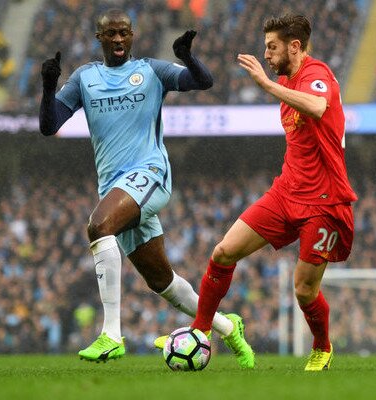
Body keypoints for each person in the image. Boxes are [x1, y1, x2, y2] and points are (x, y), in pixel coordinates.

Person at [38, 9, 254, 368]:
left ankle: (111, 335)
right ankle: (229, 328)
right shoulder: (84, 78)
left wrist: (187, 57)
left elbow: (203, 82)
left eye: (124, 33)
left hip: (150, 174)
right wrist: (48, 87)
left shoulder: (152, 71)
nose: (119, 39)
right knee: (162, 282)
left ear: (132, 36)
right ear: (99, 38)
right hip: (114, 187)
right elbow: (49, 125)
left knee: (98, 226)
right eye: (111, 34)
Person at [187, 14, 356, 372]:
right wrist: (272, 83)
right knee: (223, 252)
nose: (265, 53)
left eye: (272, 46)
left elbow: (316, 106)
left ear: (294, 46)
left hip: (323, 202)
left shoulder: (316, 75)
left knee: (304, 290)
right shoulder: (287, 79)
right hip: (286, 192)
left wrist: (265, 84)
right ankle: (200, 332)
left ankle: (322, 347)